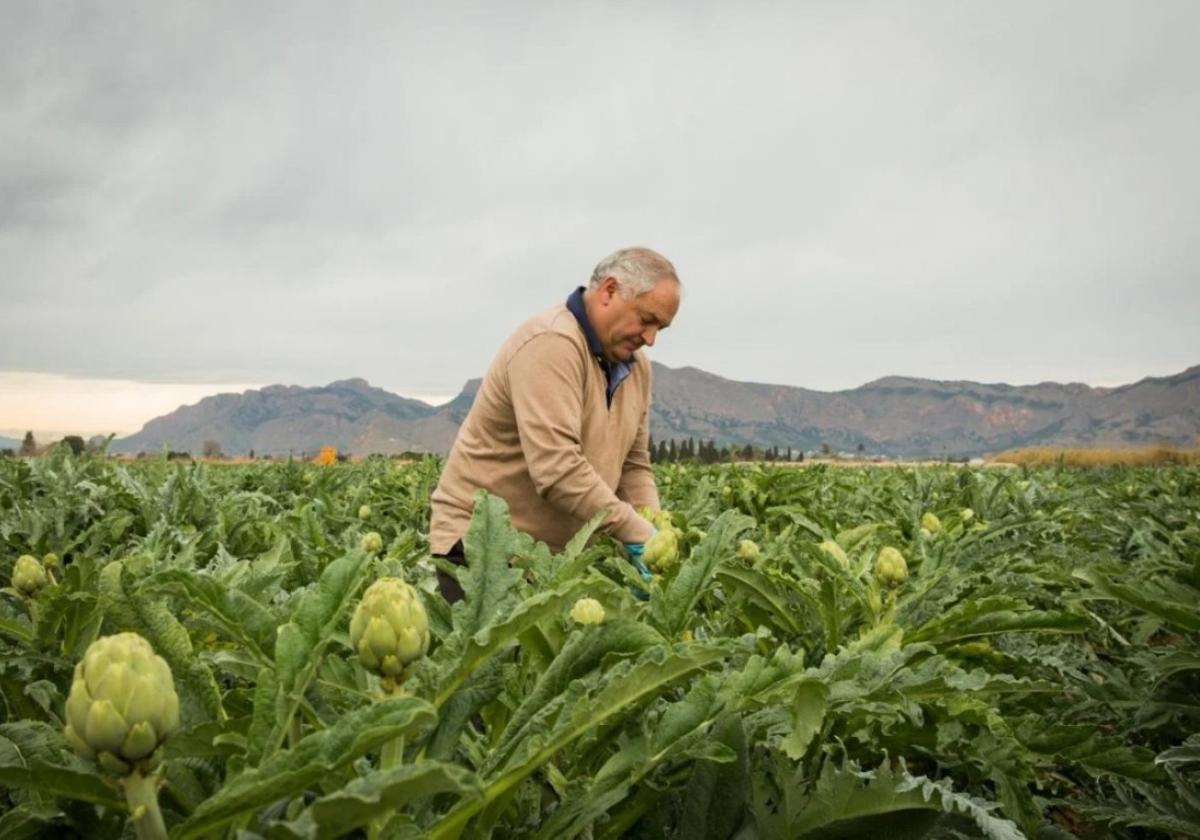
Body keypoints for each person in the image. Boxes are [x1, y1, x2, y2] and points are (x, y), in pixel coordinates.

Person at [429, 246, 681, 601]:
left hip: (555, 562)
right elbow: (557, 469)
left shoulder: (637, 368)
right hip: (483, 551)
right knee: (497, 658)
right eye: (646, 319)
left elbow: (634, 466)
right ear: (609, 291)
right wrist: (636, 533)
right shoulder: (552, 344)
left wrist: (656, 530)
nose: (651, 338)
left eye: (661, 328)